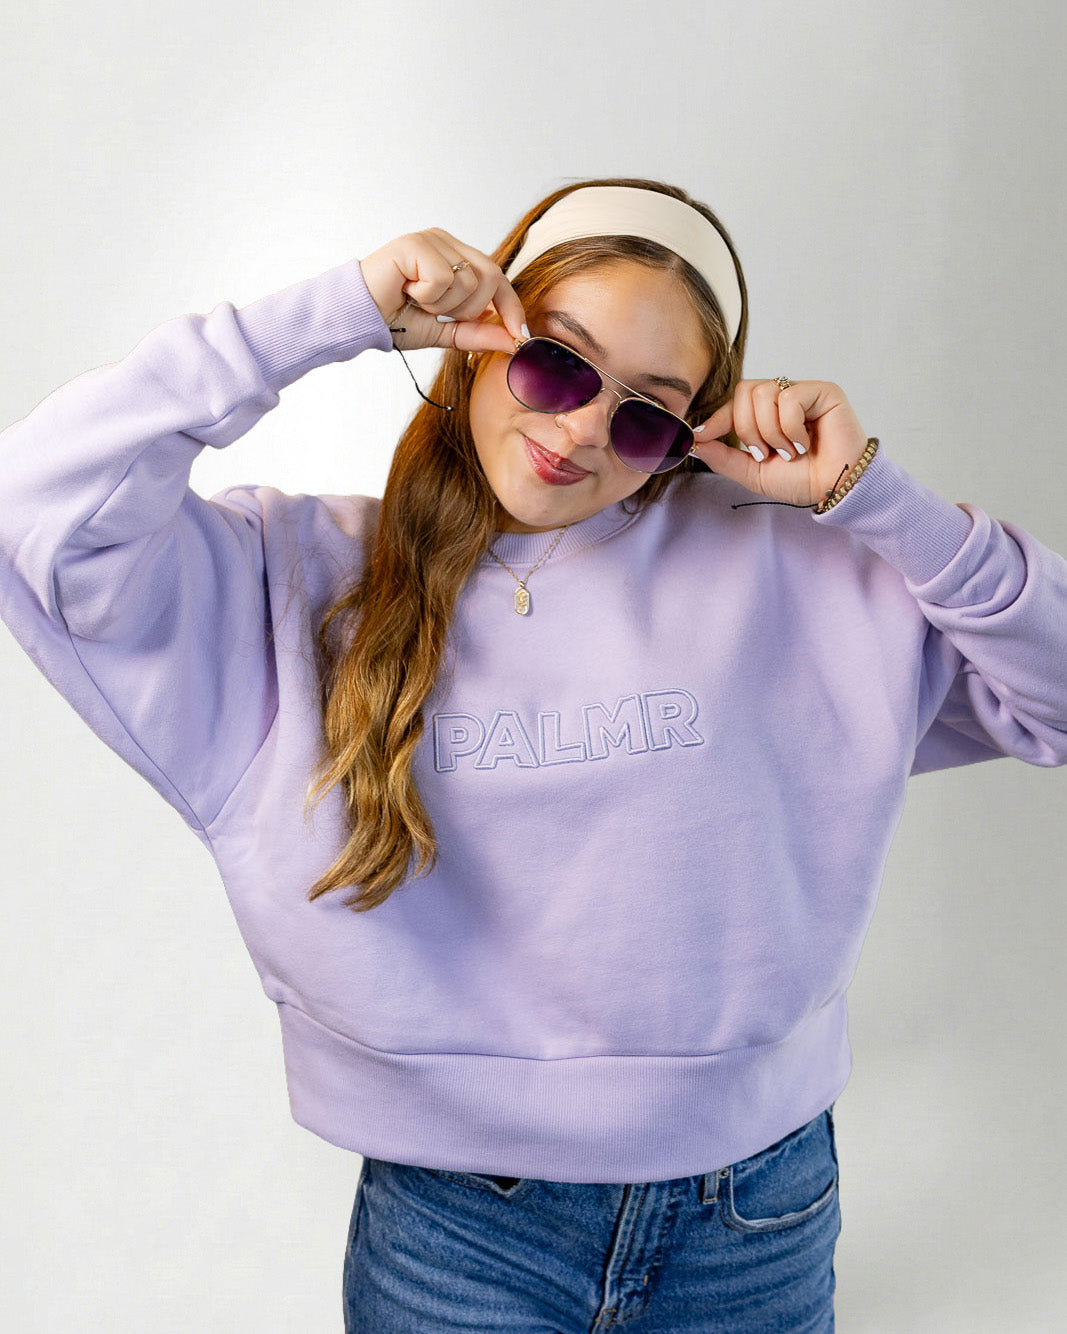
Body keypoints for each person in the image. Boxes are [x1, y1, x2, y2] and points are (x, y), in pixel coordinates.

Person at [1, 175, 1065, 1333]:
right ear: (476, 346)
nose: (576, 430)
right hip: (460, 1229)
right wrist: (341, 310)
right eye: (555, 365)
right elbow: (37, 506)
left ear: (678, 444)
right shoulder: (297, 575)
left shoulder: (797, 571)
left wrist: (873, 499)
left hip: (752, 1213)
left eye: (644, 415)